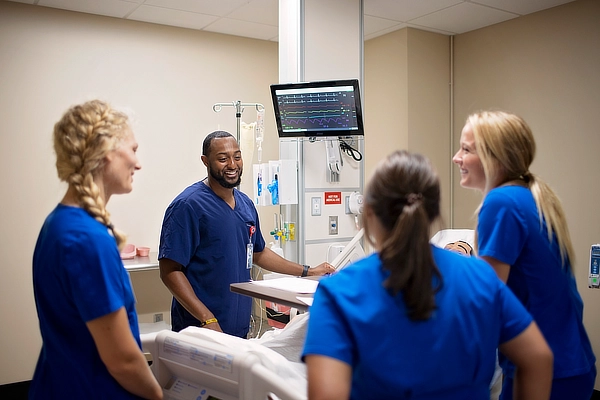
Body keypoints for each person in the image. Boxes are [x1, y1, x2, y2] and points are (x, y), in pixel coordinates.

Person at [302, 150, 553, 400]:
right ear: (432, 213)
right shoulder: (482, 279)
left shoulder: (338, 294)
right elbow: (538, 358)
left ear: (368, 213)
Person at [453, 110, 596, 400]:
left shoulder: (501, 202)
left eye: (466, 149)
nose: (456, 157)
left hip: (543, 373)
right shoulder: (528, 196)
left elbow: (486, 298)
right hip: (568, 364)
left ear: (496, 158)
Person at [30, 100, 162, 399]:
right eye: (133, 149)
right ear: (105, 153)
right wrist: (159, 396)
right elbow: (123, 361)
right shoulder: (86, 238)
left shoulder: (59, 223)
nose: (138, 163)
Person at [158, 130, 335, 338]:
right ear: (205, 161)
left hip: (238, 327)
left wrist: (308, 271)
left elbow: (258, 253)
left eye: (237, 156)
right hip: (200, 328)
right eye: (223, 159)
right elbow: (169, 271)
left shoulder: (245, 205)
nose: (232, 165)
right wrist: (206, 318)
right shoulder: (188, 206)